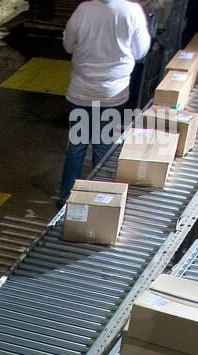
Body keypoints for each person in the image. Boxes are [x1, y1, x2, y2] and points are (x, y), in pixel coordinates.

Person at [59, 0, 151, 205]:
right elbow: (140, 52)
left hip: (81, 92)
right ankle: (97, 198)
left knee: (77, 145)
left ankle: (66, 197)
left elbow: (68, 45)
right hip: (112, 95)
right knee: (103, 145)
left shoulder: (83, 9)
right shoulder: (132, 11)